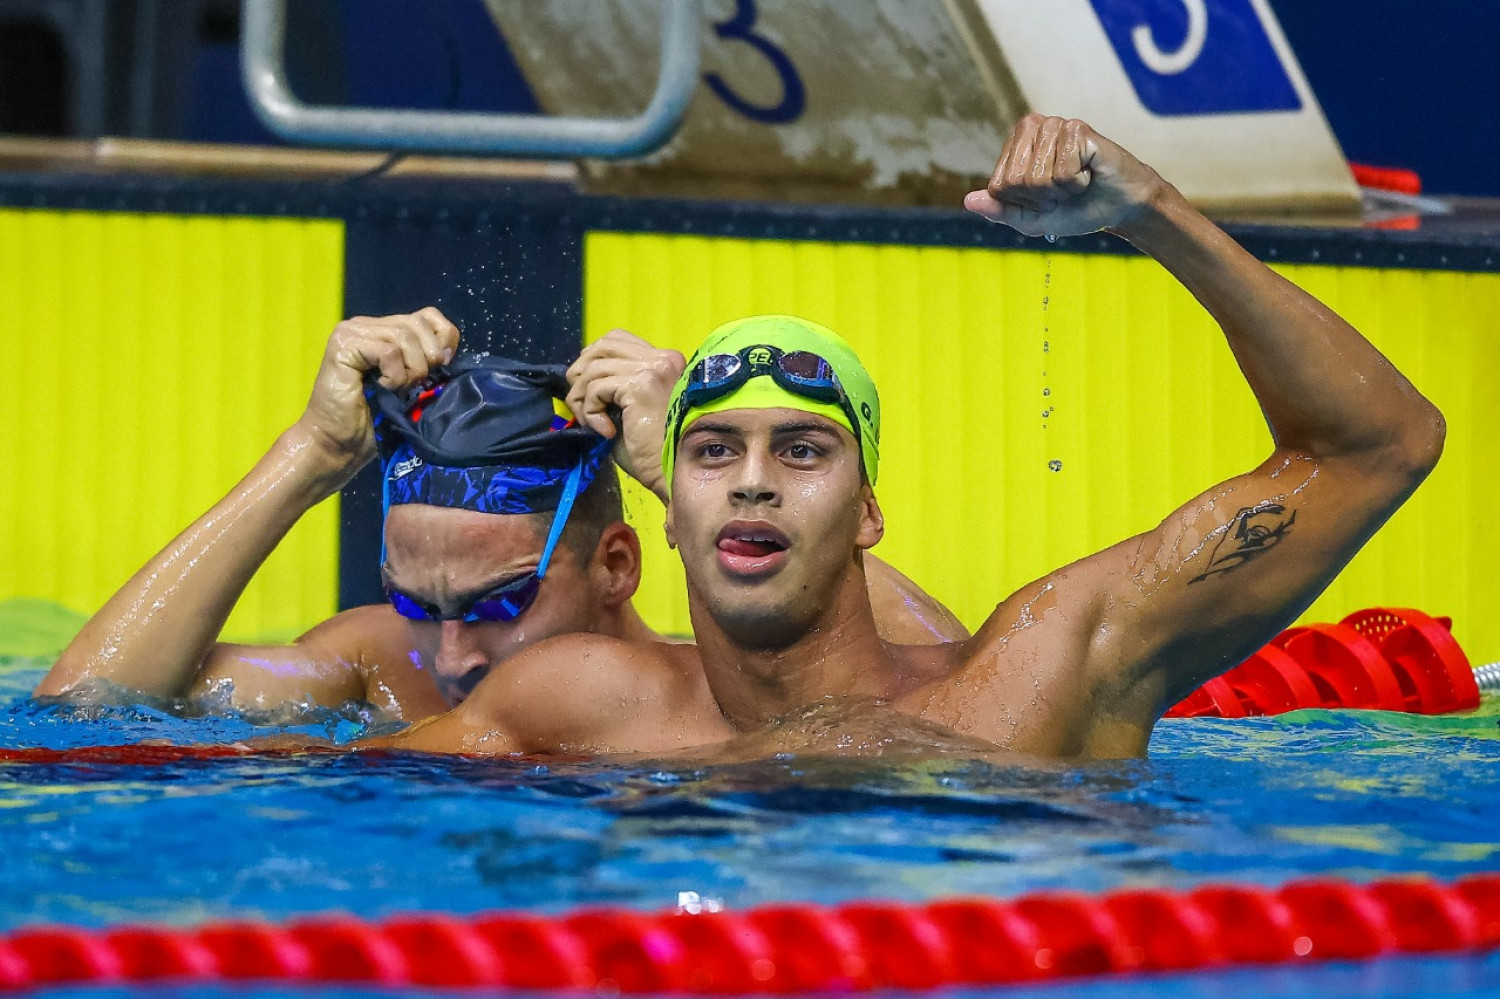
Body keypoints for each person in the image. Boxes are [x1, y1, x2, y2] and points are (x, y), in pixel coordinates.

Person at [360, 115, 1445, 761]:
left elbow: (1379, 445)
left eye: (801, 451)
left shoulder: (1032, 682)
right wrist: (316, 456)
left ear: (869, 510)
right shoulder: (580, 703)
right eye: (713, 451)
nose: (750, 483)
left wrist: (1152, 213)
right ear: (668, 509)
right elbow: (220, 760)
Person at [36, 313, 965, 719]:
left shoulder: (699, 702)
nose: (450, 657)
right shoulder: (381, 671)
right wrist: (309, 457)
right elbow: (86, 706)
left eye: (495, 604)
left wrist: (672, 472)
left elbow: (942, 699)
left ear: (616, 567)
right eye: (417, 601)